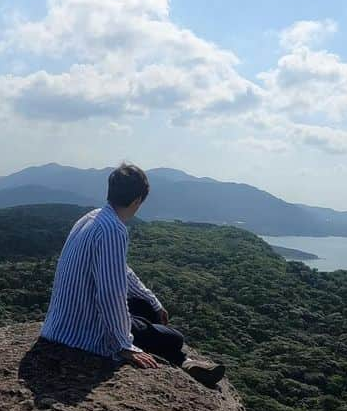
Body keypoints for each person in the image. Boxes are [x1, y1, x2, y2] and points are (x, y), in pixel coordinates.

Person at [40, 162, 226, 388]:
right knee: (174, 338)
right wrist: (123, 345)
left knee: (146, 308)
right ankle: (183, 361)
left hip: (64, 320)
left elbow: (121, 272)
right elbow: (111, 292)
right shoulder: (113, 230)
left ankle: (172, 351)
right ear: (138, 200)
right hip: (82, 333)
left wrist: (153, 301)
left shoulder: (91, 218)